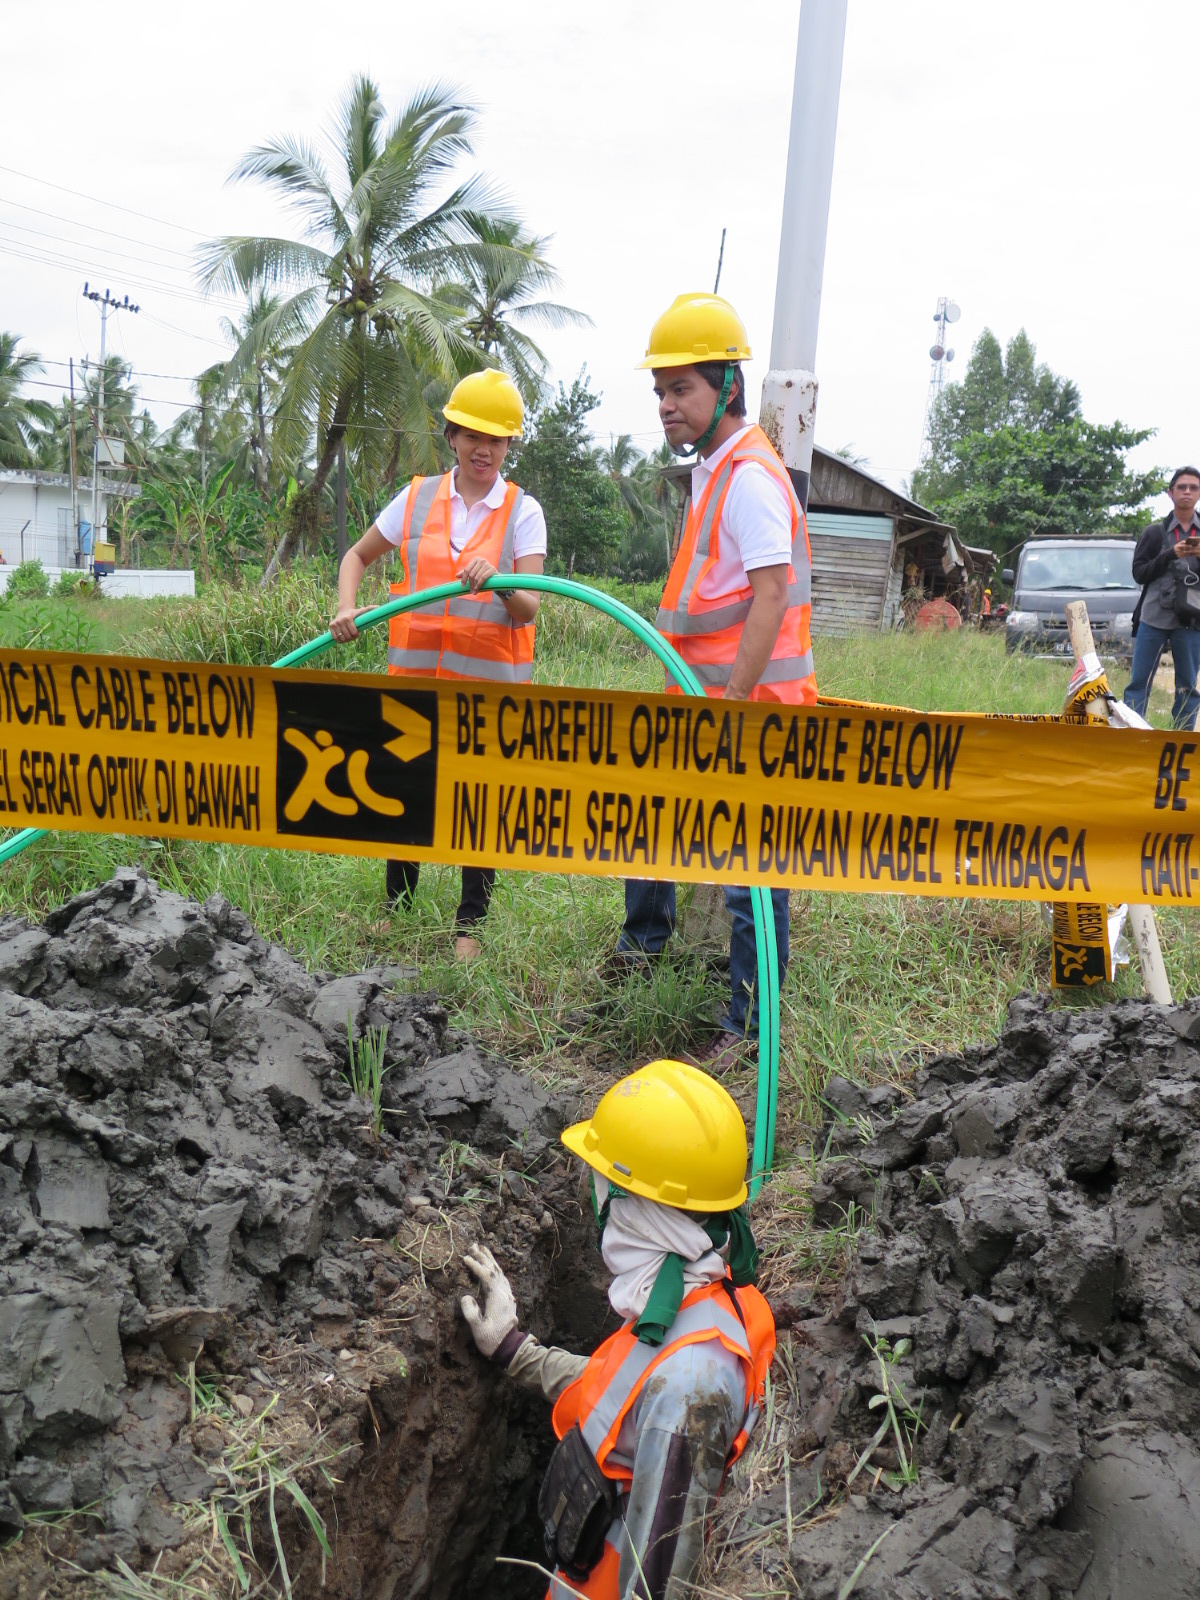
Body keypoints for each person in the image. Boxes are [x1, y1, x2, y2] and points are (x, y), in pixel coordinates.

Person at [459, 1059, 775, 1599]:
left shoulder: (691, 1394)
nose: (594, 1198)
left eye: (602, 1185)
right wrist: (514, 1350)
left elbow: (662, 1583)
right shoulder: (705, 1297)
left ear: (637, 1208)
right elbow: (625, 1390)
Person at [609, 293, 816, 1068]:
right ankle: (640, 955)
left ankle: (750, 1029)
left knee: (752, 877)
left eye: (682, 388)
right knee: (648, 827)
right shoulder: (714, 471)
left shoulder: (752, 479)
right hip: (701, 708)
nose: (666, 405)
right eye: (660, 391)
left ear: (727, 386)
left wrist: (732, 701)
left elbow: (769, 595)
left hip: (749, 712)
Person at [331, 369, 546, 960]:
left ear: (508, 446)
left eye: (497, 439)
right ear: (452, 435)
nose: (485, 449)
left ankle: (469, 927)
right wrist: (347, 608)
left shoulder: (522, 511)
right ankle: (396, 909)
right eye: (474, 434)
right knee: (406, 791)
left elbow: (528, 607)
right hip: (416, 687)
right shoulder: (419, 497)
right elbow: (356, 555)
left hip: (486, 695)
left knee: (481, 806)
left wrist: (498, 583)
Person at [1124, 466, 1200, 729]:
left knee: (1187, 687)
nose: (1187, 492)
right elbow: (1139, 573)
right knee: (1139, 683)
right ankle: (1132, 738)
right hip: (1153, 618)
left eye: (1193, 487)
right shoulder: (1155, 533)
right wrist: (1170, 554)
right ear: (1170, 493)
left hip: (1191, 620)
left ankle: (1182, 744)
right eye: (1181, 487)